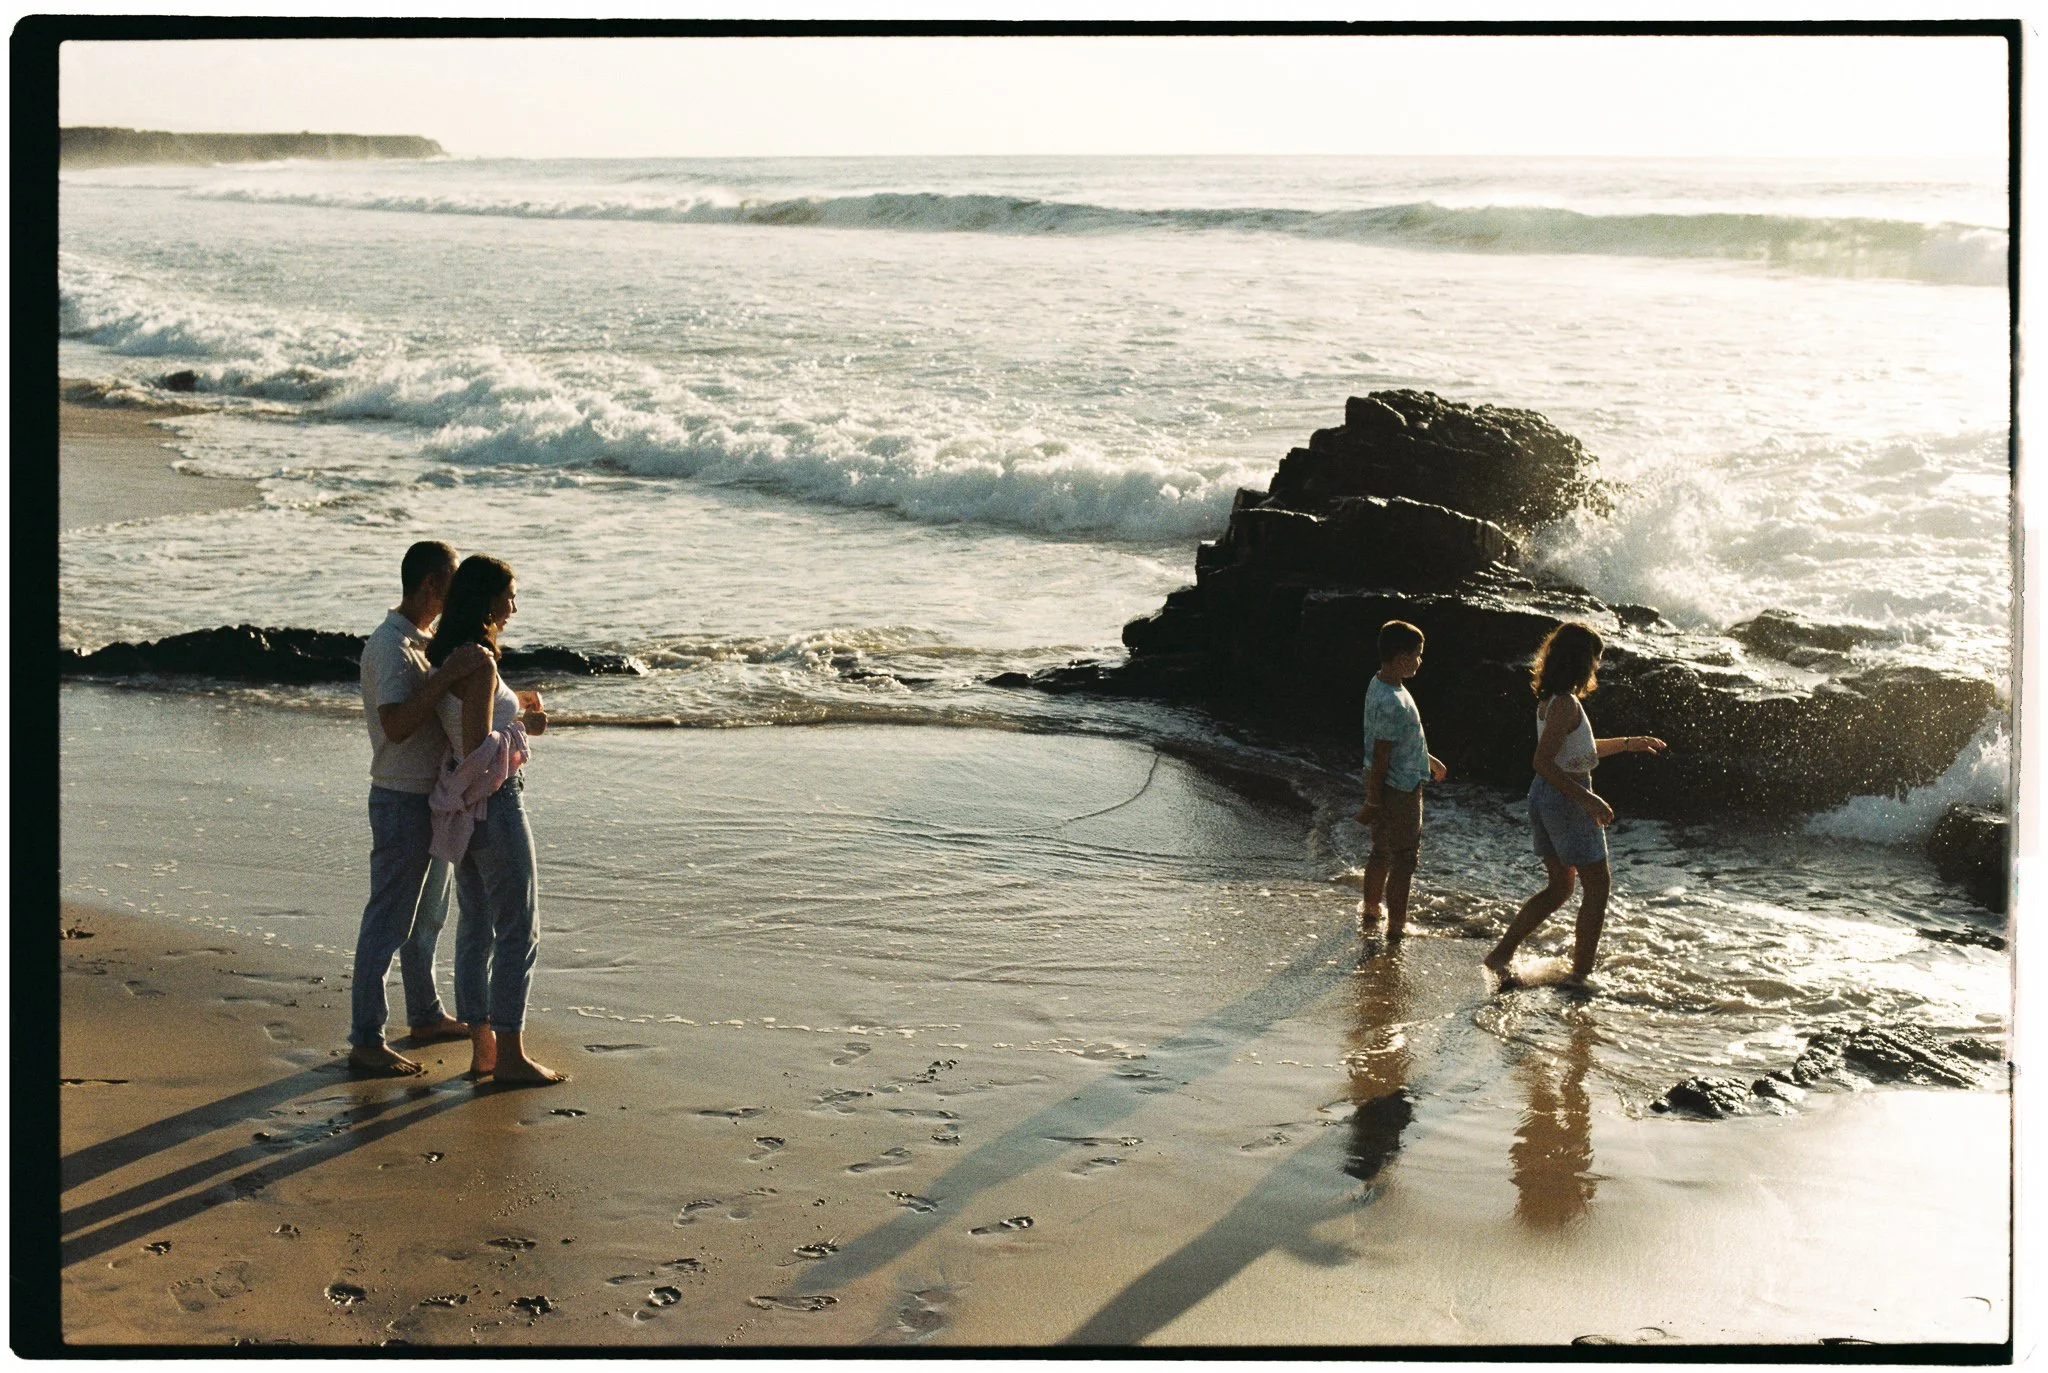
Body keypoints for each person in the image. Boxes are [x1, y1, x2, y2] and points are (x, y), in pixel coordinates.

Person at [348, 540, 489, 1076]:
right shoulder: (390, 646)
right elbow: (396, 725)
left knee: (428, 917)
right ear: (431, 584)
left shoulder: (423, 642)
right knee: (388, 921)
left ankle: (425, 1014)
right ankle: (366, 1038)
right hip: (399, 797)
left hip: (433, 798)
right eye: (452, 581)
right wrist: (447, 677)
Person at [426, 554, 565, 1086]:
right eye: (510, 596)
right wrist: (525, 726)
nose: (514, 607)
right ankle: (510, 1054)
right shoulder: (479, 662)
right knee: (518, 929)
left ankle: (484, 1050)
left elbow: (464, 729)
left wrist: (511, 709)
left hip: (465, 809)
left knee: (477, 926)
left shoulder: (451, 654)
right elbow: (476, 749)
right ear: (487, 599)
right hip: (496, 804)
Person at [1485, 621, 1666, 985]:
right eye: (1596, 659)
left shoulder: (1554, 701)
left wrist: (1629, 743)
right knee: (1597, 887)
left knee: (1560, 887)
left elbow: (1579, 750)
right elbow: (1542, 761)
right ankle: (1580, 975)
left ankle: (1502, 954)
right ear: (1582, 661)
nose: (1598, 666)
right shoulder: (1566, 704)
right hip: (1564, 798)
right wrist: (1588, 798)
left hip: (1547, 795)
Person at [1354, 620, 1446, 942]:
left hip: (1383, 778)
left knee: (1380, 850)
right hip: (1399, 788)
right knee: (1405, 857)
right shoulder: (1394, 701)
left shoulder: (1379, 684)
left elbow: (1399, 740)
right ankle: (1396, 926)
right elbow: (1383, 754)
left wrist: (1428, 759)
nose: (1420, 660)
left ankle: (1371, 909)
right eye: (1417, 654)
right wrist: (1373, 800)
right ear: (1402, 658)